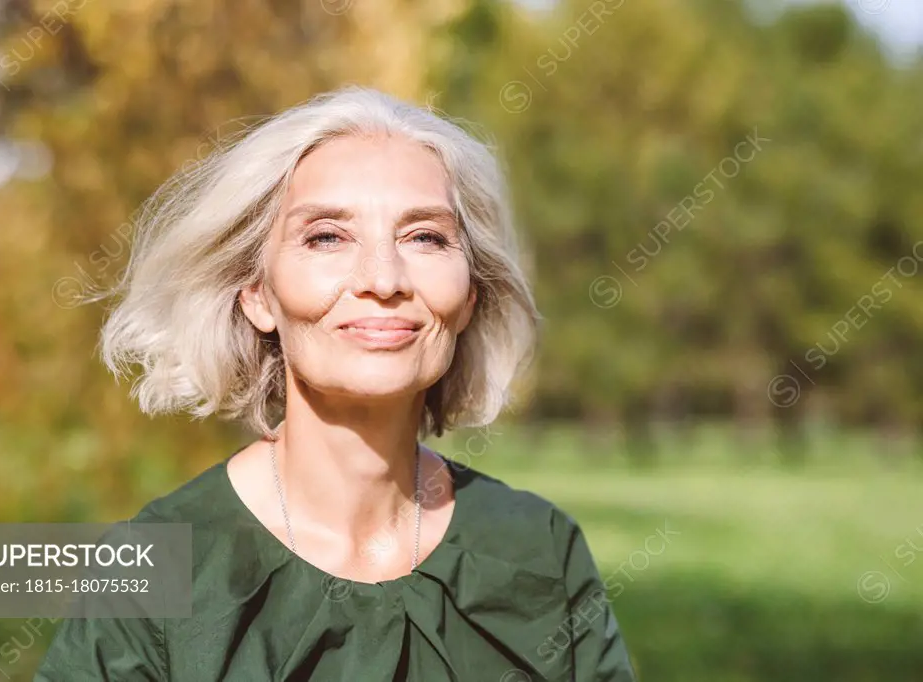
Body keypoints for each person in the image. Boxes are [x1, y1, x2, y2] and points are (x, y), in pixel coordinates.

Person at [35, 85, 636, 681]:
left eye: (424, 236)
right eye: (327, 236)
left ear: (470, 295)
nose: (382, 278)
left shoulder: (541, 551)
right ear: (257, 295)